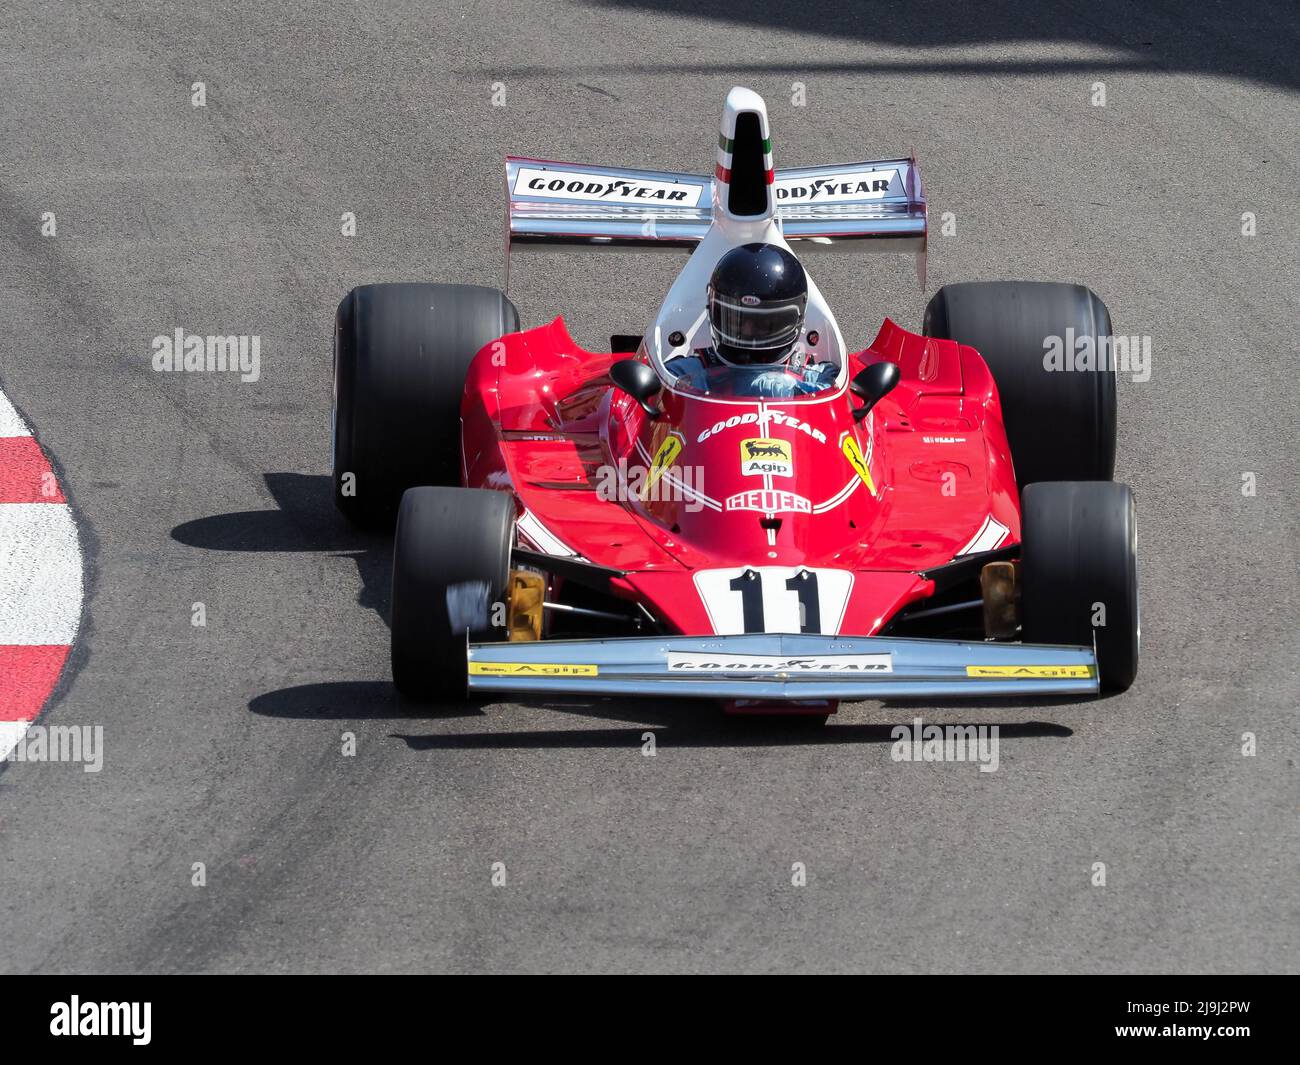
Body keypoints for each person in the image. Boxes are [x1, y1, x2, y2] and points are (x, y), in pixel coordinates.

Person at [666, 242, 837, 398]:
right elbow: (656, 378)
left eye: (762, 325)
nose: (747, 331)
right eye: (735, 321)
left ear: (794, 320)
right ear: (714, 311)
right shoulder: (692, 369)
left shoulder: (813, 374)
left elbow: (840, 392)